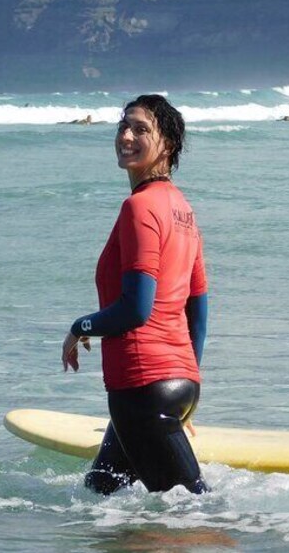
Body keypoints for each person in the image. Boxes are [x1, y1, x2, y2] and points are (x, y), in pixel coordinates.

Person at [61, 94, 210, 495]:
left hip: (143, 388)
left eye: (141, 129)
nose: (126, 136)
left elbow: (135, 309)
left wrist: (81, 327)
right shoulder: (184, 211)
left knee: (194, 512)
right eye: (123, 126)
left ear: (169, 145)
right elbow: (198, 309)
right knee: (100, 491)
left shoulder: (140, 208)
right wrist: (189, 382)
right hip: (178, 384)